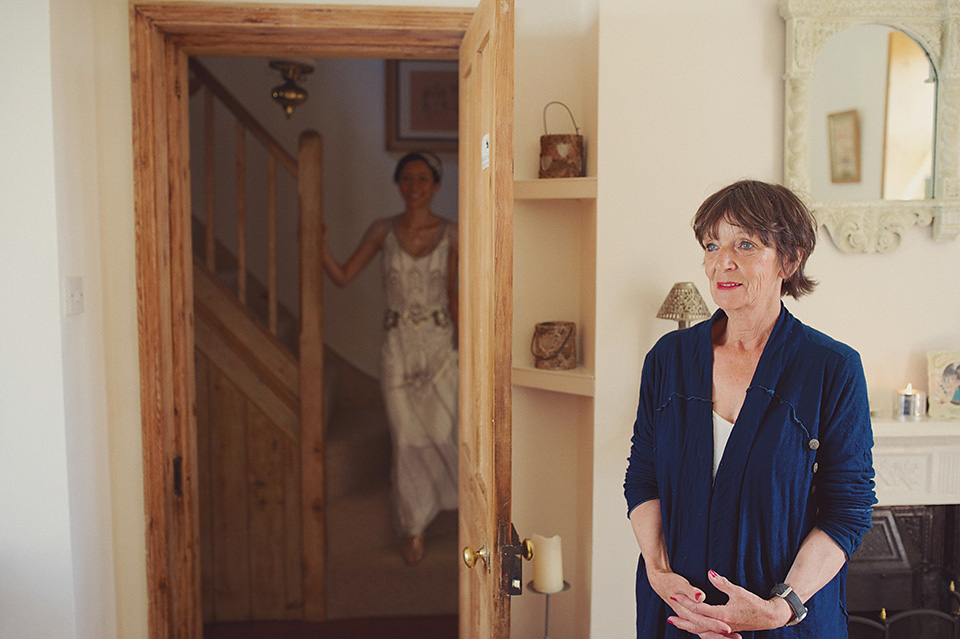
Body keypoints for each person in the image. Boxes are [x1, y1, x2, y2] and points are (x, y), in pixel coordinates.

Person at [624, 180, 876, 638]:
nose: (723, 261)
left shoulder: (832, 368)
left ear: (791, 258)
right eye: (712, 244)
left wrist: (782, 608)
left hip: (784, 624)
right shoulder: (669, 359)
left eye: (745, 243)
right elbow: (643, 476)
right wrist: (658, 571)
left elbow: (848, 510)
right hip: (677, 616)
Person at [323, 151, 458, 566]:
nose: (414, 186)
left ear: (435, 186)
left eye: (422, 179)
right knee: (404, 439)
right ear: (398, 184)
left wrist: (465, 351)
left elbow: (456, 295)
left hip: (440, 347)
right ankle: (413, 526)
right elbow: (343, 276)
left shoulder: (453, 233)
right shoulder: (383, 230)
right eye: (406, 178)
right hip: (397, 346)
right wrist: (316, 242)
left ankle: (455, 506)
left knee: (440, 432)